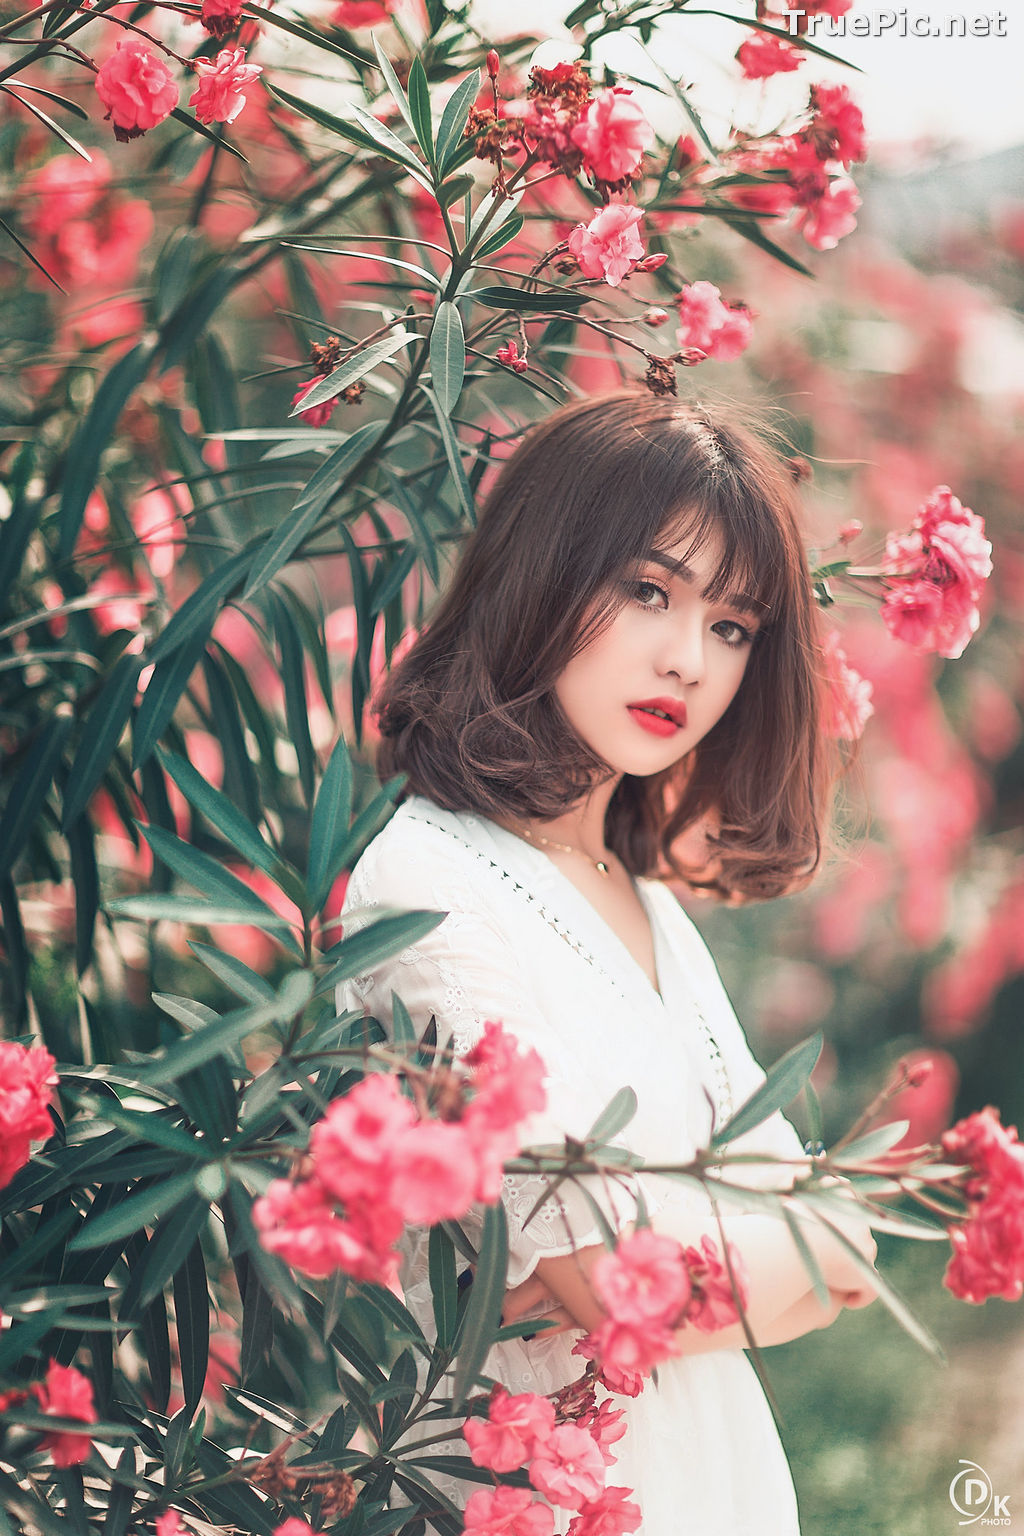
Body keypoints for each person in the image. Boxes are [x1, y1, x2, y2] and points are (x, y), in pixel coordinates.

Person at [335, 390, 879, 1535]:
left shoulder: (645, 908)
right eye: (647, 591)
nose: (687, 659)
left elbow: (843, 1254)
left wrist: (666, 1263)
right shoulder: (426, 884)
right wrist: (727, 1254)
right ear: (540, 571)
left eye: (731, 626)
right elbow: (612, 1278)